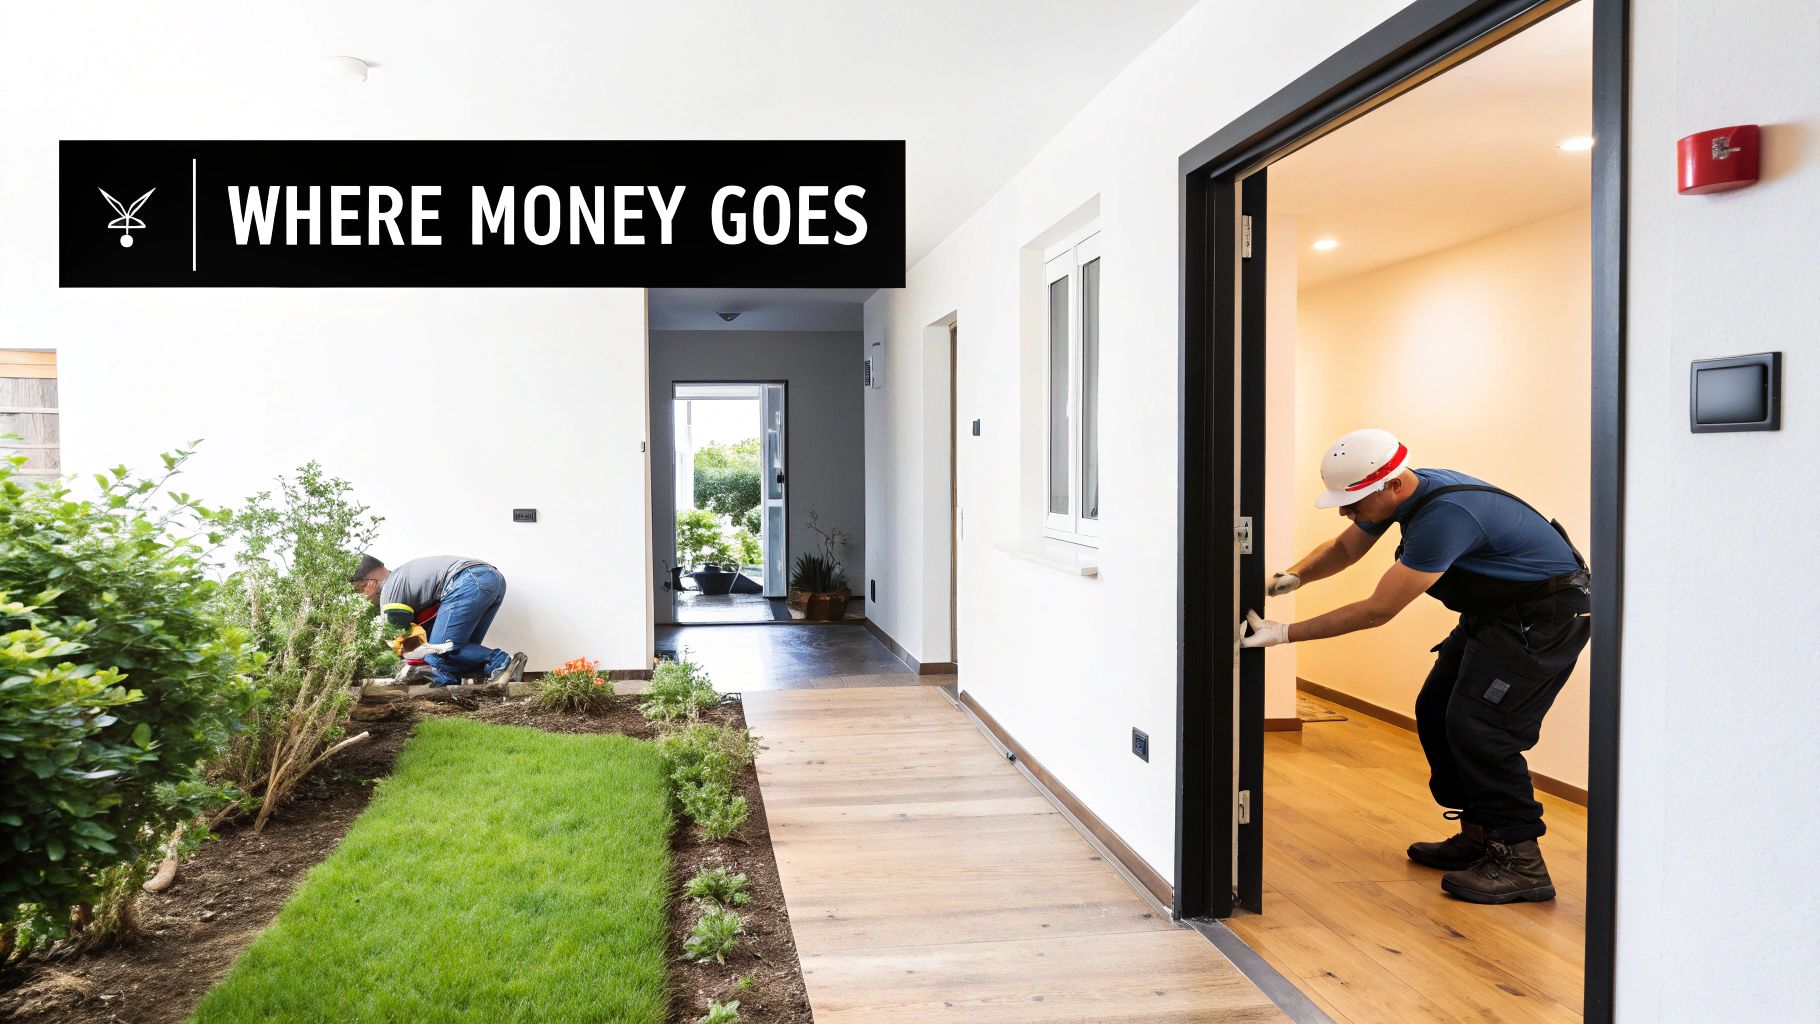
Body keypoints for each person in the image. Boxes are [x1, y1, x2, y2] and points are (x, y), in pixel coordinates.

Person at [1239, 428, 1590, 905]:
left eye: (1352, 502)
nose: (1345, 511)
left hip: (1544, 618)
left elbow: (1377, 610)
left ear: (1391, 486)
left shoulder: (1446, 516)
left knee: (1482, 727)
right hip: (1498, 614)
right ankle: (1480, 836)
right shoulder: (1405, 492)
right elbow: (1344, 549)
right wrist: (1292, 577)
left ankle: (1521, 862)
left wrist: (1284, 633)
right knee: (1436, 708)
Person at [351, 554, 527, 688]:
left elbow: (399, 637)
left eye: (360, 590)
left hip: (467, 580)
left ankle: (501, 662)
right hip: (491, 579)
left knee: (437, 651)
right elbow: (422, 630)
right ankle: (448, 678)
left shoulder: (390, 590)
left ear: (369, 582)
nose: (363, 597)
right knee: (455, 652)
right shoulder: (401, 578)